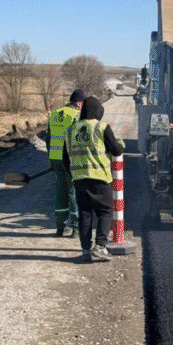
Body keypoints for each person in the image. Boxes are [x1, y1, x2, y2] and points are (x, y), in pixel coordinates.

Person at [63, 95, 124, 263]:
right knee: (105, 212)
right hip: (99, 179)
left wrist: (75, 173)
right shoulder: (101, 127)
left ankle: (85, 250)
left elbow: (65, 158)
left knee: (85, 214)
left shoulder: (70, 130)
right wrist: (119, 144)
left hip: (79, 180)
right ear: (98, 112)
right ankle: (100, 247)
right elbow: (117, 151)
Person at [47, 89, 85, 236]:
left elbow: (49, 139)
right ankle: (75, 228)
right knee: (73, 192)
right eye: (83, 103)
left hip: (55, 157)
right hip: (69, 159)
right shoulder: (76, 115)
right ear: (78, 103)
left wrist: (51, 160)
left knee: (60, 191)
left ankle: (60, 227)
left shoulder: (55, 113)